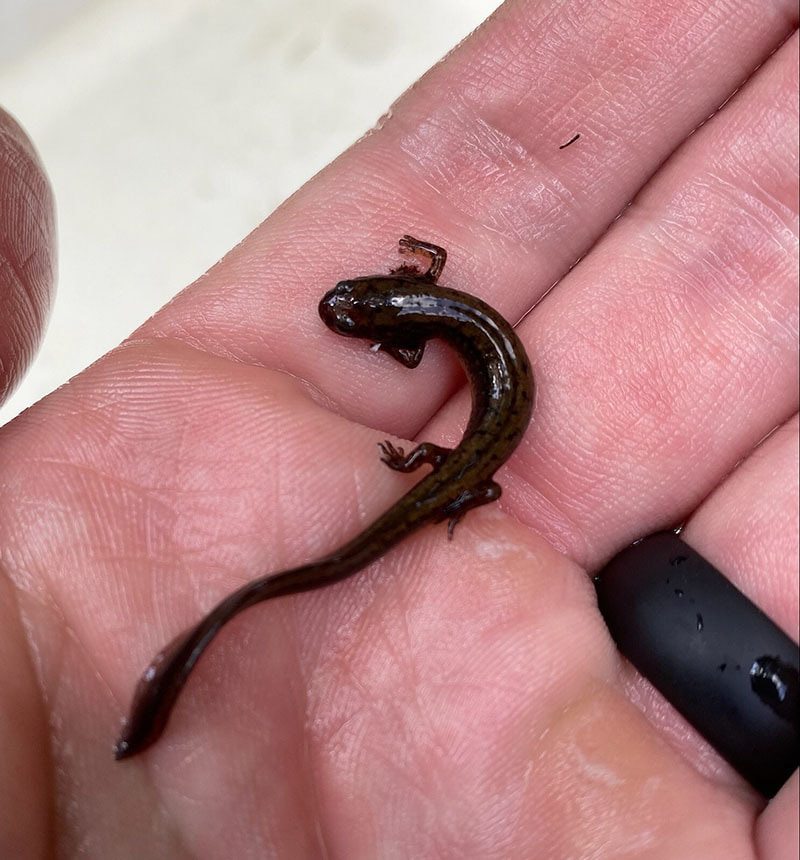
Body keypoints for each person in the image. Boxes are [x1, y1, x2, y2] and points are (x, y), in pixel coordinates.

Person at [0, 0, 797, 855]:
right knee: (441, 484)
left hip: (465, 456)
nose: (343, 314)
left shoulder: (425, 328)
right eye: (355, 313)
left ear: (393, 314)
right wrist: (428, 458)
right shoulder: (434, 306)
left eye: (356, 317)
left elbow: (417, 357)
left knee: (438, 486)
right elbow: (428, 297)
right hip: (464, 454)